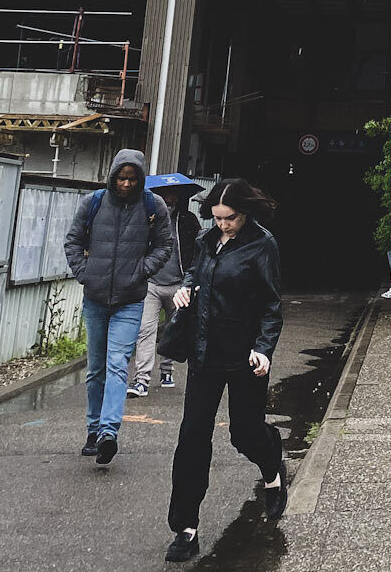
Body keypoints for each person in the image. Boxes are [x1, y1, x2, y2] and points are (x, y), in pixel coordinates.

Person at [163, 178, 285, 562]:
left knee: (245, 434)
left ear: (244, 212)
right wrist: (185, 289)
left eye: (229, 219)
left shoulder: (262, 245)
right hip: (204, 354)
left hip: (244, 356)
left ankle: (272, 469)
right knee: (192, 438)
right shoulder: (205, 241)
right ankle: (186, 527)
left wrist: (263, 350)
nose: (223, 225)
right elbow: (195, 275)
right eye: (217, 219)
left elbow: (271, 305)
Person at [64, 148, 175, 466]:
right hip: (95, 298)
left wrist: (142, 270)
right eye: (121, 178)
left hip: (130, 299)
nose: (126, 184)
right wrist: (85, 273)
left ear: (141, 178)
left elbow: (164, 245)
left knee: (117, 365)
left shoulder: (153, 206)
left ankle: (108, 433)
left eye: (132, 178)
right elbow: (73, 241)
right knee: (96, 368)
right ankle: (93, 429)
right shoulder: (94, 202)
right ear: (113, 176)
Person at [130, 174, 202, 397]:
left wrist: (192, 282)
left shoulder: (189, 221)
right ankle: (141, 380)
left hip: (179, 286)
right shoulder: (145, 220)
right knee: (145, 331)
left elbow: (199, 252)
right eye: (164, 195)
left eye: (173, 195)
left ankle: (167, 371)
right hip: (151, 284)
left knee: (173, 331)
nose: (169, 199)